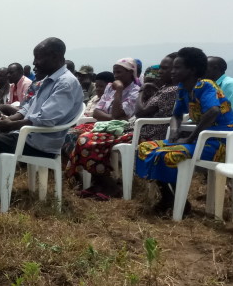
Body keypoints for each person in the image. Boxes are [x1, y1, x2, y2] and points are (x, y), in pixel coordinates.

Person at [0, 37, 82, 204]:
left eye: (38, 58)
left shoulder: (65, 83)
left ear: (55, 56)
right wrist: (8, 119)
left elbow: (45, 118)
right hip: (26, 134)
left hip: (39, 142)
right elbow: (27, 109)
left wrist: (12, 125)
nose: (35, 62)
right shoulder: (49, 81)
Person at [136, 47, 233, 215]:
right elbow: (176, 115)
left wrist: (190, 137)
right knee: (146, 148)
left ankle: (179, 203)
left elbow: (213, 111)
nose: (173, 71)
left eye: (177, 68)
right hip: (200, 140)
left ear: (192, 70)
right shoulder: (183, 88)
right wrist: (175, 133)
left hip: (220, 142)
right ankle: (170, 197)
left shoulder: (205, 85)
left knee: (168, 154)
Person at [66, 55, 177, 199]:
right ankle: (99, 183)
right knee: (76, 135)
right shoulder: (111, 88)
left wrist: (119, 92)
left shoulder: (139, 90)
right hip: (119, 126)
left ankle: (109, 185)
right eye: (115, 72)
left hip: (141, 131)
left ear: (131, 73)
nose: (116, 76)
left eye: (120, 72)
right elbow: (97, 111)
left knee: (86, 140)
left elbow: (137, 113)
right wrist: (113, 117)